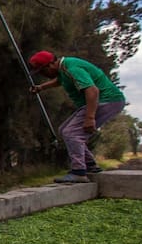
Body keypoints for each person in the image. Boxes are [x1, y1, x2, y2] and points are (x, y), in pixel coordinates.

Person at [28, 50, 126, 183]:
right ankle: (90, 166)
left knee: (72, 133)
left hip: (107, 101)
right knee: (64, 130)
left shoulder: (72, 68)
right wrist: (41, 87)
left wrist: (90, 118)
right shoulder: (64, 69)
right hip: (106, 101)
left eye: (42, 72)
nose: (43, 75)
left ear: (50, 65)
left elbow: (92, 90)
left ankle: (79, 171)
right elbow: (59, 80)